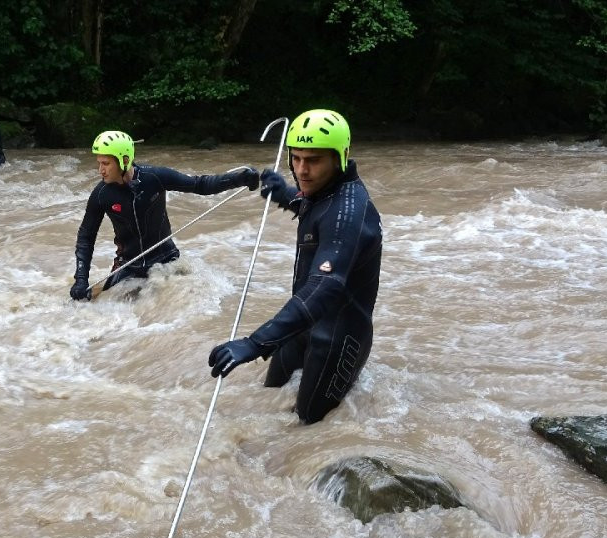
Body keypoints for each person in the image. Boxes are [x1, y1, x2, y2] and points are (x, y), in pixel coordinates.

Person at [207, 109, 382, 424]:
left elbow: (326, 286)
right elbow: (313, 208)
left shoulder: (349, 210)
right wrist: (284, 194)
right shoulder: (322, 191)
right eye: (296, 158)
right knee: (268, 396)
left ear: (339, 158)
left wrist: (254, 342)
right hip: (304, 322)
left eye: (313, 160)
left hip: (338, 336)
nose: (302, 170)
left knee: (307, 426)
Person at [70, 130, 260, 300]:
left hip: (166, 259)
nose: (100, 170)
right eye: (99, 163)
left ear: (125, 160)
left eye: (106, 163)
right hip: (129, 265)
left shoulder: (154, 177)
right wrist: (80, 279)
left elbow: (199, 184)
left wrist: (240, 179)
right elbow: (86, 237)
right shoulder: (101, 194)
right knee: (91, 304)